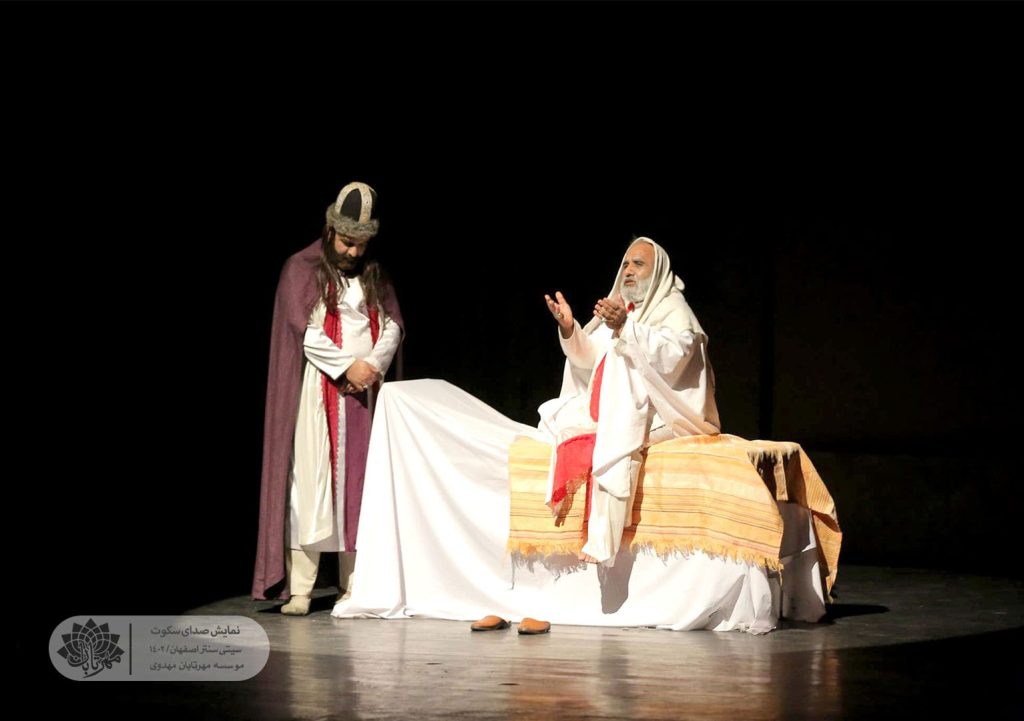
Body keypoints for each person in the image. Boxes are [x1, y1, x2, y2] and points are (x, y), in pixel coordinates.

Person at [472, 236, 720, 634]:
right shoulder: (623, 308)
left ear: (657, 271)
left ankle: (604, 535)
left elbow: (676, 356)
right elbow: (592, 361)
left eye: (638, 264)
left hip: (665, 413)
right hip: (618, 405)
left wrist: (627, 328)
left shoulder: (672, 309)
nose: (629, 271)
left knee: (618, 438)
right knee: (559, 419)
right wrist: (571, 330)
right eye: (626, 264)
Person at [252, 181, 404, 616]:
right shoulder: (300, 269)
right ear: (330, 229)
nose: (354, 252)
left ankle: (354, 584)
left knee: (359, 486)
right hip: (317, 392)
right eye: (347, 242)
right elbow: (303, 330)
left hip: (364, 396)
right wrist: (345, 366)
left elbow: (392, 324)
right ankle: (302, 588)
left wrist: (371, 365)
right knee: (311, 485)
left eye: (362, 244)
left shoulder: (374, 273)